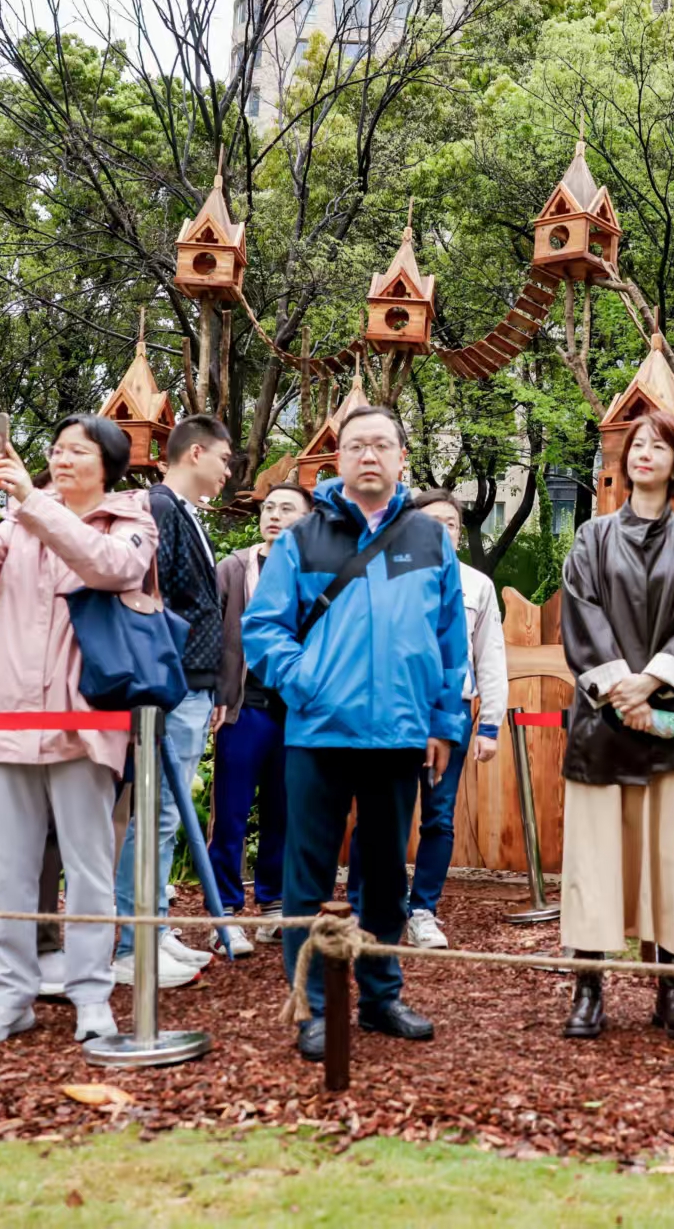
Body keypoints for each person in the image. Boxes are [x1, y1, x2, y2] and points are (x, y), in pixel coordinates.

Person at [242, 405, 467, 1063]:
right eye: (356, 446)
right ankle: (308, 1004)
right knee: (305, 876)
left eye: (382, 445)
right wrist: (306, 682)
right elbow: (264, 630)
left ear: (403, 458)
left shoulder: (429, 541)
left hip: (399, 734)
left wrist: (443, 723)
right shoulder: (304, 539)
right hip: (317, 733)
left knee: (384, 878)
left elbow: (451, 644)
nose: (369, 456)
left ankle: (380, 994)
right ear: (337, 461)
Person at [0, 414, 156, 1045]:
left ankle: (91, 997)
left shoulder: (132, 519)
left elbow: (110, 568)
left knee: (88, 866)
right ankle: (10, 996)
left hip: (83, 714)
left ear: (109, 464)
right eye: (56, 449)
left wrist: (30, 500)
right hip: (7, 709)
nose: (61, 460)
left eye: (77, 452)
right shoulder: (21, 519)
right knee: (7, 866)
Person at [558, 410, 674, 1042]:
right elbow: (580, 617)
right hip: (603, 725)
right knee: (595, 860)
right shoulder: (591, 539)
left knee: (673, 860)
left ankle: (673, 989)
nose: (644, 454)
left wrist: (647, 684)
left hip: (669, 722)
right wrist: (618, 690)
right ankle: (589, 987)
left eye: (659, 446)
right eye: (637, 445)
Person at [346, 488, 507, 950]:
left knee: (438, 817)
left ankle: (423, 911)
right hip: (392, 710)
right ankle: (363, 907)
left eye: (451, 524)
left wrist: (490, 724)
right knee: (376, 811)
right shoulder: (386, 575)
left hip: (451, 712)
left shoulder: (476, 584)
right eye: (431, 522)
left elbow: (489, 657)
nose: (442, 531)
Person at [112, 415, 235, 987]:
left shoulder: (188, 514)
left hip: (195, 681)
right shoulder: (159, 509)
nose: (229, 470)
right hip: (174, 678)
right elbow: (154, 599)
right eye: (225, 459)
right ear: (196, 453)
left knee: (166, 813)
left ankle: (153, 929)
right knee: (158, 813)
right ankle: (131, 942)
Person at [206, 480, 312, 953]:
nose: (273, 515)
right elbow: (209, 630)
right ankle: (223, 912)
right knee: (229, 812)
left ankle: (274, 905)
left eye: (286, 509)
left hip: (297, 712)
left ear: (306, 519)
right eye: (269, 507)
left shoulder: (316, 571)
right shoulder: (235, 568)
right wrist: (214, 692)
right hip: (242, 707)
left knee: (283, 811)